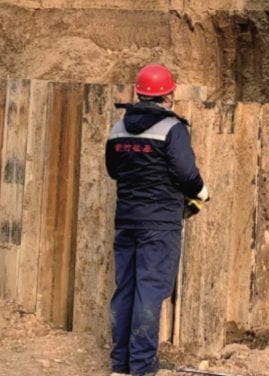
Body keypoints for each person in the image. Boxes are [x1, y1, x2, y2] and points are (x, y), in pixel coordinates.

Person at [106, 64, 209, 376]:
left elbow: (114, 171)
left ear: (138, 93)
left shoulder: (118, 128)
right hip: (159, 224)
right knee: (149, 291)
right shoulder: (171, 128)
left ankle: (121, 367)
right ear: (169, 95)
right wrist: (202, 192)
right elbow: (186, 174)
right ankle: (143, 367)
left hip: (127, 220)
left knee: (125, 289)